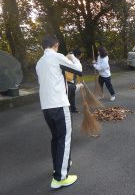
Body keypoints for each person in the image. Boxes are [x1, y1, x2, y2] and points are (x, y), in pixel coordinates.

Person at [36, 35, 82, 189]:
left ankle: (58, 167)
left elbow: (53, 82)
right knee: (64, 139)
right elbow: (79, 70)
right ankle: (60, 178)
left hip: (46, 107)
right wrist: (73, 58)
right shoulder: (57, 57)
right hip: (59, 105)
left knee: (56, 138)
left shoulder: (39, 63)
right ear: (55, 45)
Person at [65, 48, 82, 113]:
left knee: (72, 95)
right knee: (68, 96)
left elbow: (78, 70)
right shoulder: (69, 58)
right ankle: (67, 111)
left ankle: (73, 109)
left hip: (72, 78)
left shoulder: (75, 59)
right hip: (67, 79)